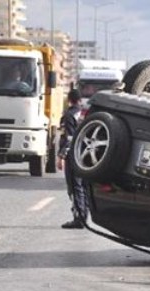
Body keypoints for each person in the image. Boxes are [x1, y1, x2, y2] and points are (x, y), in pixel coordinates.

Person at [58, 89, 88, 229]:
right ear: (80, 99)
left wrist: (61, 156)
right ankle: (83, 215)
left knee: (74, 187)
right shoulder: (84, 114)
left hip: (73, 155)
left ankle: (79, 218)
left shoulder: (69, 115)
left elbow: (69, 138)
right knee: (82, 186)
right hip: (85, 155)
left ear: (69, 99)